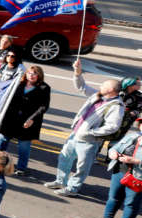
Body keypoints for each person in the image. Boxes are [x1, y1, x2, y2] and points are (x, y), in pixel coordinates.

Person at [47, 63, 124, 195]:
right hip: (75, 135)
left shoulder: (116, 106)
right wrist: (77, 72)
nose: (100, 86)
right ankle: (60, 181)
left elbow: (112, 126)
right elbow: (82, 87)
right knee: (64, 158)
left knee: (82, 167)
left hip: (89, 141)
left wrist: (91, 132)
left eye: (103, 85)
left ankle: (72, 189)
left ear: (111, 89)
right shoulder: (99, 95)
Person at [0, 65, 50, 174]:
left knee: (24, 146)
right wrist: (0, 115)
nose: (32, 75)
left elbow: (43, 106)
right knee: (2, 142)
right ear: (26, 74)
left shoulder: (44, 88)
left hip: (28, 121)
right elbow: (6, 99)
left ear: (39, 75)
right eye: (30, 73)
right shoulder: (18, 83)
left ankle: (21, 168)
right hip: (10, 119)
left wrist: (32, 119)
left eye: (35, 74)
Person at [103, 114, 142, 218]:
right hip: (119, 171)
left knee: (131, 203)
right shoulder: (133, 136)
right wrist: (113, 153)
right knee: (113, 197)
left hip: (137, 177)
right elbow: (114, 148)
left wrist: (136, 161)